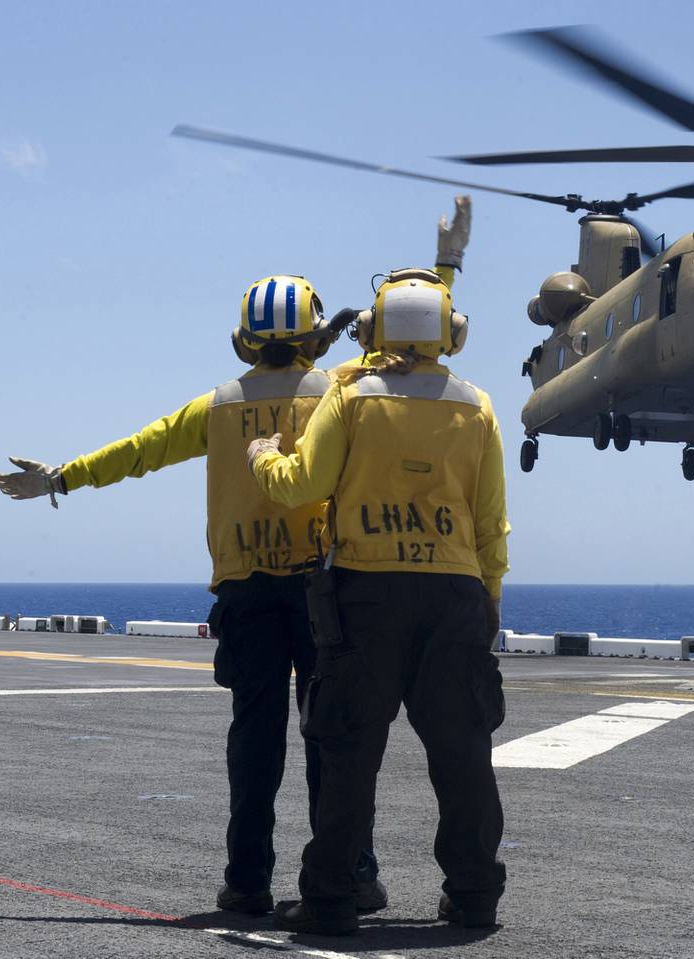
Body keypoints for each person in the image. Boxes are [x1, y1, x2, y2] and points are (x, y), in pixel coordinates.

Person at [0, 201, 472, 916]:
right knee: (332, 739)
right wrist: (446, 263)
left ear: (244, 340)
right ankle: (351, 872)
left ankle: (246, 881)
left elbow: (137, 450)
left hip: (244, 594)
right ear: (316, 334)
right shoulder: (343, 389)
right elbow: (413, 342)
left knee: (254, 740)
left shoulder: (215, 407)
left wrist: (58, 477)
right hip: (324, 591)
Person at [246, 266, 510, 936]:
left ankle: (332, 898)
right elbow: (489, 521)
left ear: (371, 328)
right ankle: (474, 893)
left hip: (367, 593)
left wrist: (260, 458)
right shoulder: (476, 405)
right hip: (454, 593)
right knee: (463, 751)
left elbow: (302, 482)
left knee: (348, 751)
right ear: (450, 333)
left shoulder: (353, 396)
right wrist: (490, 597)